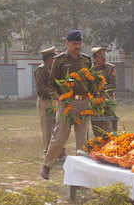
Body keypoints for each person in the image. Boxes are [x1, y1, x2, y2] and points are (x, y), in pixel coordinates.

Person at [41, 30, 92, 180]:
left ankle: (82, 172)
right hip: (66, 103)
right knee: (60, 137)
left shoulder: (86, 60)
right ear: (67, 43)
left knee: (82, 139)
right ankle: (47, 165)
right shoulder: (59, 60)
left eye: (79, 43)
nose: (77, 46)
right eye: (74, 44)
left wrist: (94, 93)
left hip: (83, 102)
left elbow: (91, 80)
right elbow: (51, 85)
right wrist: (59, 98)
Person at [34, 46, 67, 159]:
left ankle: (60, 150)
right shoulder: (40, 70)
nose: (55, 60)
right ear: (48, 59)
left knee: (59, 127)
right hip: (46, 101)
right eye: (53, 58)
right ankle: (48, 151)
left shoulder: (57, 69)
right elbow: (41, 89)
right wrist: (55, 94)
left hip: (57, 101)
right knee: (47, 127)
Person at [90, 47, 116, 136]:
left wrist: (102, 90)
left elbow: (113, 85)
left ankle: (111, 141)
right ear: (95, 58)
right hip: (95, 101)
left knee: (109, 124)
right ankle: (99, 143)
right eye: (100, 56)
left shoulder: (110, 68)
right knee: (96, 124)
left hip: (107, 98)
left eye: (104, 55)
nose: (103, 58)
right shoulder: (90, 70)